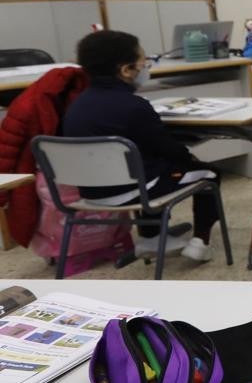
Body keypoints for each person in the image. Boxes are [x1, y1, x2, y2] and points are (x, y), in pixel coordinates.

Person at [61, 30, 220, 261]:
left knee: (149, 166)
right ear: (126, 70)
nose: (146, 69)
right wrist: (190, 158)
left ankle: (151, 237)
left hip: (91, 193)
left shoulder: (76, 106)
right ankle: (200, 244)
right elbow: (167, 148)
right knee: (209, 173)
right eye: (143, 64)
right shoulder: (135, 106)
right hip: (133, 192)